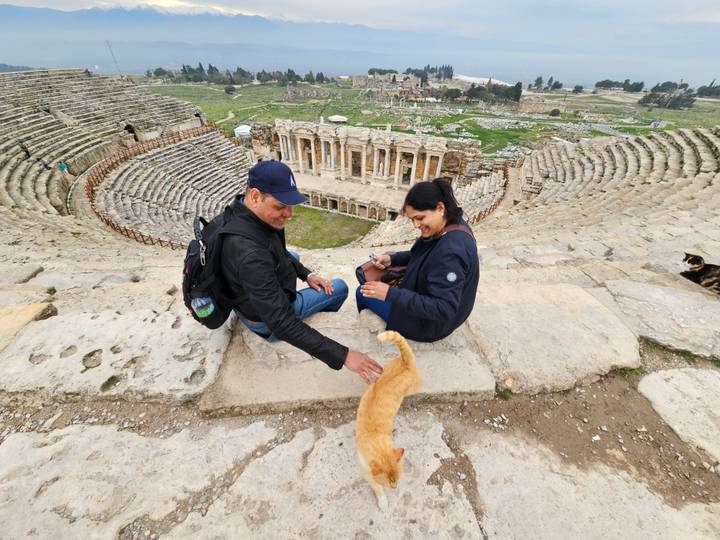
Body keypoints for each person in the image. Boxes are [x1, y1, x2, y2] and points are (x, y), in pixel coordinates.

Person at [220, 160, 383, 384]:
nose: (289, 214)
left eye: (290, 205)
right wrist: (343, 355)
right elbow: (282, 323)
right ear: (256, 196)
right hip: (263, 321)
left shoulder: (242, 213)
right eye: (280, 206)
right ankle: (322, 313)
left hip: (247, 296)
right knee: (339, 288)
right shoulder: (250, 255)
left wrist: (306, 275)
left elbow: (278, 251)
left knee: (294, 257)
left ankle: (310, 295)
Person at [357, 178, 479, 342]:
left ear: (440, 208)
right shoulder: (451, 224)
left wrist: (391, 294)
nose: (415, 224)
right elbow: (425, 254)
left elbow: (444, 309)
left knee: (363, 292)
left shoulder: (450, 253)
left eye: (420, 218)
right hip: (437, 309)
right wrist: (392, 259)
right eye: (412, 219)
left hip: (430, 325)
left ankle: (373, 332)